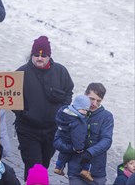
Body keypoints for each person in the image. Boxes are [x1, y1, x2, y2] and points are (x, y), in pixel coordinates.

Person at [14, 35, 74, 181]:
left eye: (43, 55)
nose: (39, 58)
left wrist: (62, 110)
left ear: (49, 56)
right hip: (28, 130)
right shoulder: (20, 73)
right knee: (35, 167)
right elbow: (11, 98)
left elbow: (68, 91)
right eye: (36, 55)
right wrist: (23, 113)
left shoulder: (61, 72)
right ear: (32, 55)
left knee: (44, 165)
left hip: (52, 131)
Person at [54, 82, 114, 185]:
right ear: (85, 95)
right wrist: (72, 148)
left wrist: (90, 152)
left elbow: (107, 140)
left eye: (98, 101)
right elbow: (57, 141)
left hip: (96, 172)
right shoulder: (70, 114)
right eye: (91, 99)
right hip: (75, 170)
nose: (94, 103)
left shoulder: (106, 116)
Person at [54, 95, 93, 182]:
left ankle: (58, 167)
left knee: (63, 154)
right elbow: (78, 137)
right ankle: (85, 170)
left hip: (65, 139)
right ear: (76, 107)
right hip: (76, 145)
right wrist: (79, 148)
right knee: (87, 154)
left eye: (86, 110)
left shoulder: (64, 114)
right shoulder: (78, 121)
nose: (85, 113)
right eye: (83, 109)